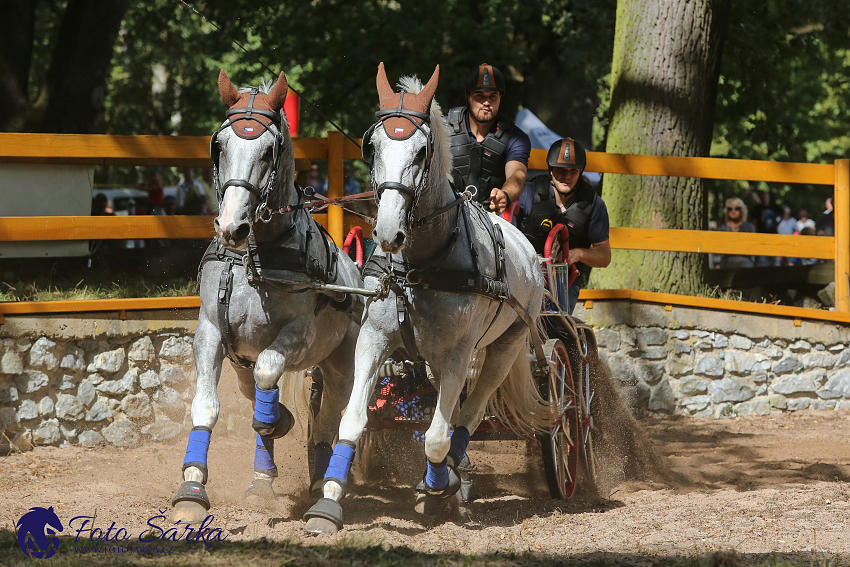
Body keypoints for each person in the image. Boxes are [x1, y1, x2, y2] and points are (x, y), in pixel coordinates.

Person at [516, 137, 611, 314]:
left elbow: (605, 256)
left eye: (573, 171)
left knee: (553, 323)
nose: (566, 176)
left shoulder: (595, 205)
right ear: (550, 169)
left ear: (581, 171)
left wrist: (578, 254)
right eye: (560, 170)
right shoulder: (527, 193)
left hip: (565, 282)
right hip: (524, 276)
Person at [447, 63, 531, 214]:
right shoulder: (442, 129)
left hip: (490, 217)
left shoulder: (516, 137)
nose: (486, 102)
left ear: (501, 97)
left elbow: (517, 175)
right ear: (468, 95)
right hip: (444, 214)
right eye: (480, 96)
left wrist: (505, 194)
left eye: (493, 96)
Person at [716, 198, 755, 269]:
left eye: (737, 208)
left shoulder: (749, 227)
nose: (733, 211)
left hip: (745, 262)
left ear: (742, 210)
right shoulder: (722, 227)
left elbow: (751, 248)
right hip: (727, 262)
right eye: (730, 209)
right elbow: (720, 248)